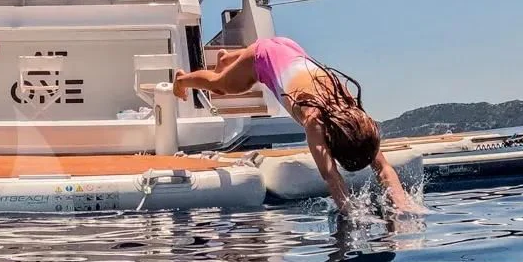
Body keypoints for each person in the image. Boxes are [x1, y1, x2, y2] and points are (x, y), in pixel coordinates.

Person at [172, 36, 419, 213]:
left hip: (289, 48)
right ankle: (183, 79)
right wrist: (351, 214)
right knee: (222, 86)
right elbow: (331, 176)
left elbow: (383, 167)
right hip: (265, 57)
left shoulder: (353, 116)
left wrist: (403, 204)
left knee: (250, 61)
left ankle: (230, 57)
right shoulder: (314, 120)